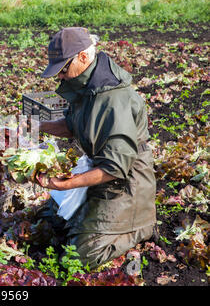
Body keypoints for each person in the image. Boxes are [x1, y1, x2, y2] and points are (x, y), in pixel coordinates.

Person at [35, 27, 156, 269]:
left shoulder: (112, 99)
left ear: (83, 56)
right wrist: (35, 126)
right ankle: (97, 220)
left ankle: (139, 227)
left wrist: (66, 183)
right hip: (103, 173)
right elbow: (73, 125)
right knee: (51, 221)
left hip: (126, 184)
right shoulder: (88, 85)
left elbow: (116, 167)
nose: (60, 76)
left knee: (77, 258)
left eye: (62, 68)